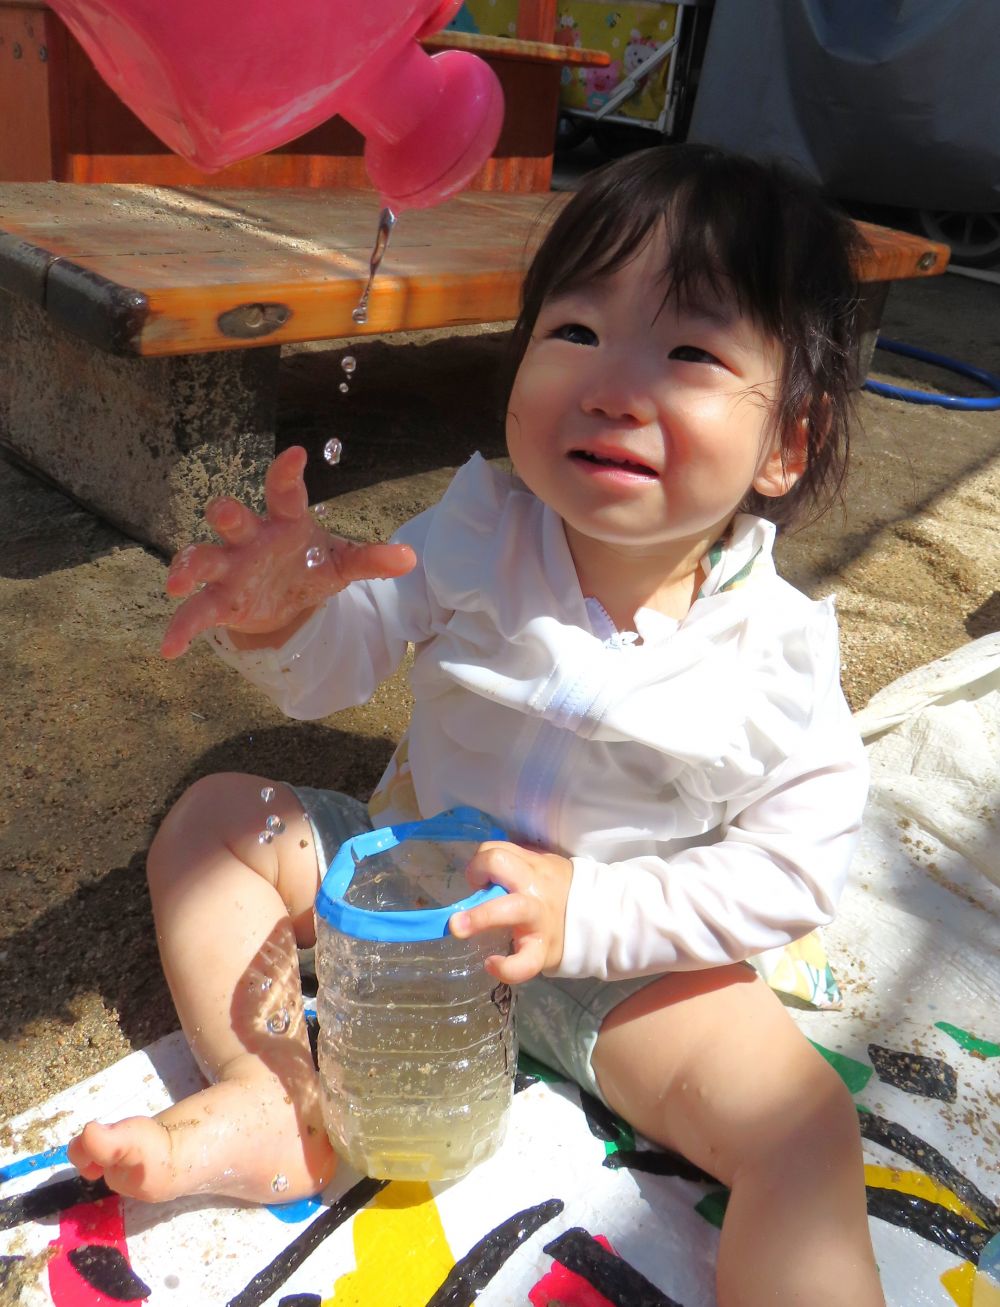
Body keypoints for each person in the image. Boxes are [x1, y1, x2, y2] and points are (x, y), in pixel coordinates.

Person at [68, 144, 885, 1305]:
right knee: (213, 821)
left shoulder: (779, 652)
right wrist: (286, 618)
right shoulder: (477, 524)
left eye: (691, 350)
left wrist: (592, 913)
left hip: (621, 965)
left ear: (785, 445)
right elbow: (340, 664)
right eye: (577, 331)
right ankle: (275, 1094)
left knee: (804, 1128)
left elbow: (793, 868)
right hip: (403, 888)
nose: (613, 383)